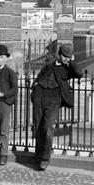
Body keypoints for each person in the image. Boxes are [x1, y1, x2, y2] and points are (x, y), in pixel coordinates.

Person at [31, 43, 82, 171]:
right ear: (58, 54)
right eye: (64, 56)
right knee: (38, 127)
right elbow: (37, 79)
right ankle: (38, 155)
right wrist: (35, 90)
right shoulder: (48, 66)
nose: (66, 58)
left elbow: (79, 72)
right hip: (40, 97)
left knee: (48, 128)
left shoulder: (67, 69)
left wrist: (71, 61)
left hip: (54, 99)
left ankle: (45, 158)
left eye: (68, 57)